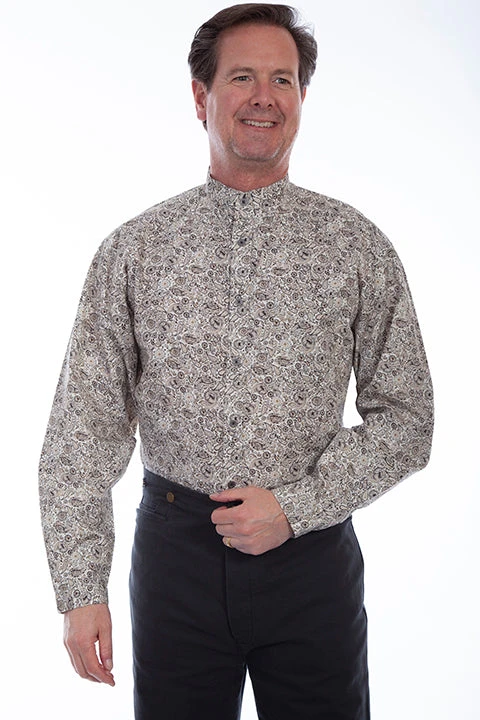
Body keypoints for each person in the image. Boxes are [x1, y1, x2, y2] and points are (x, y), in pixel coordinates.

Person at [39, 4, 434, 719]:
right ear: (202, 96)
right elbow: (81, 433)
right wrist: (80, 590)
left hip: (312, 563)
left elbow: (408, 420)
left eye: (282, 79)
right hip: (176, 563)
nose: (264, 97)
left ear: (302, 98)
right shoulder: (136, 249)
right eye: (242, 76)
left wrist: (296, 508)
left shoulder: (355, 246)